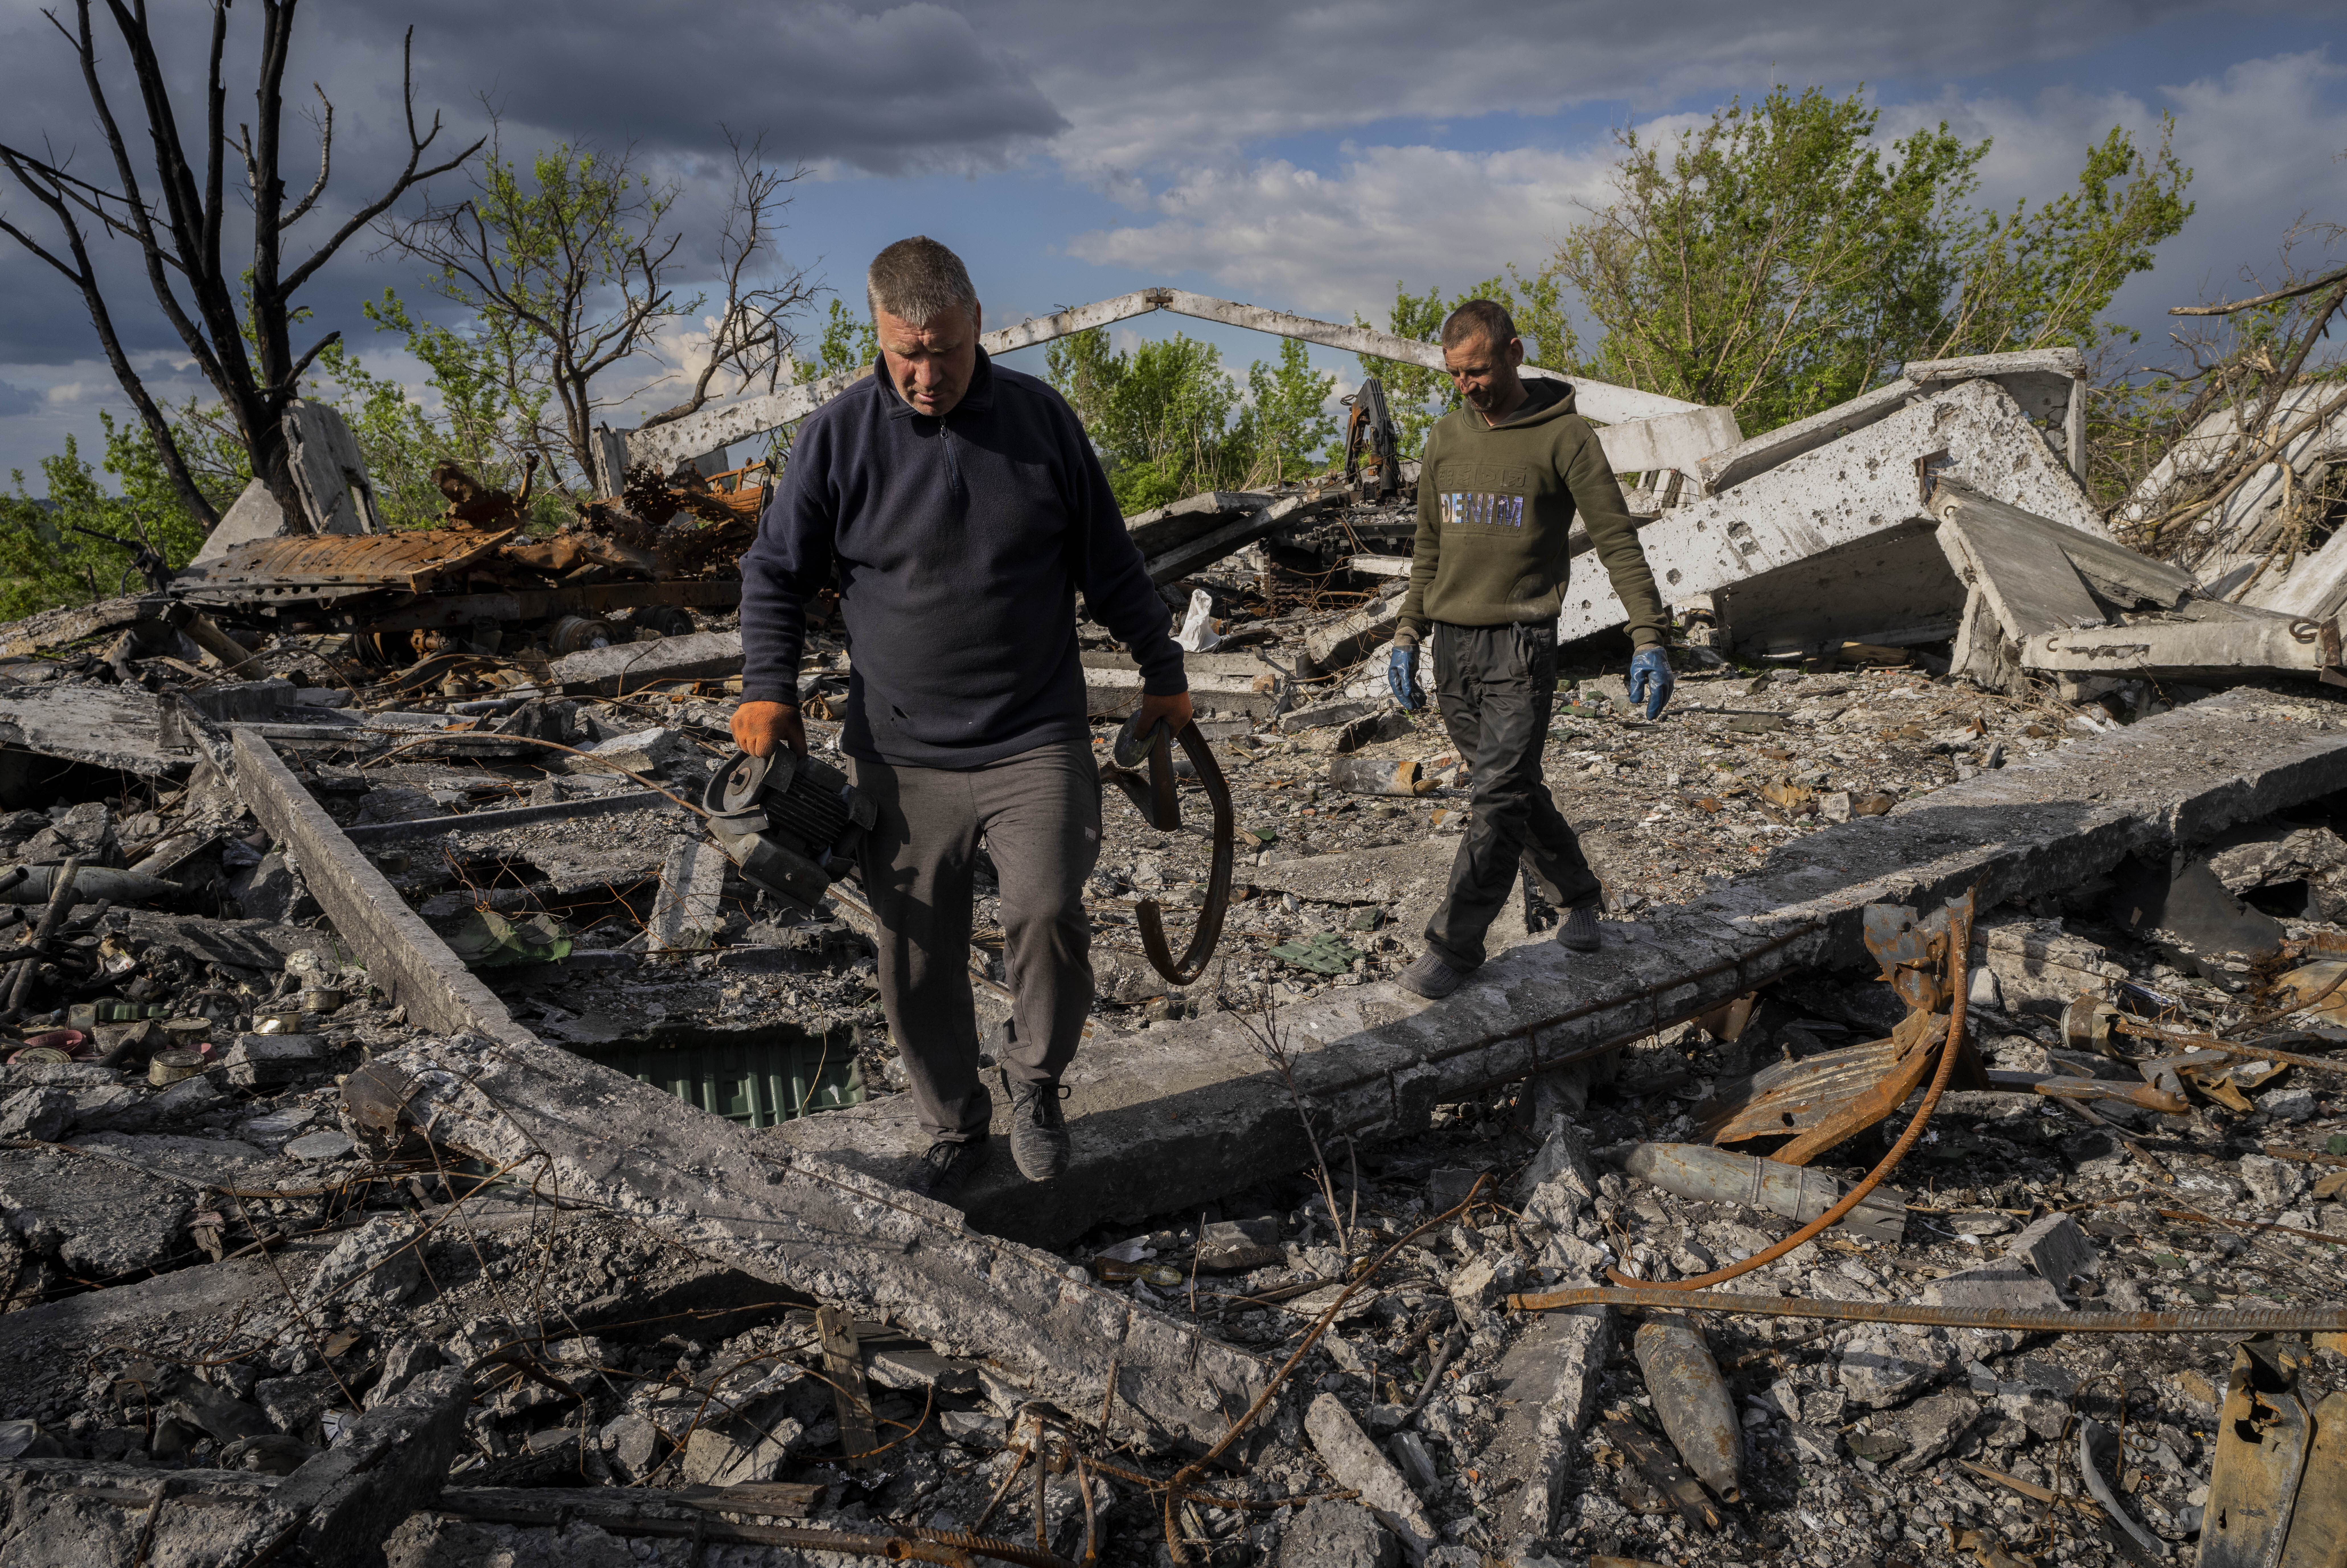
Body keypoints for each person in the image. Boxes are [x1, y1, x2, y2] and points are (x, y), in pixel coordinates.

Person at [731, 236, 1192, 1200]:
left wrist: (1163, 669)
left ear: (979, 322)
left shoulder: (1041, 424)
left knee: (1046, 909)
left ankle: (1034, 1081)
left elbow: (1109, 563)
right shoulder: (837, 436)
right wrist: (767, 688)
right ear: (877, 335)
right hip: (899, 751)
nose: (924, 373)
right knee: (914, 952)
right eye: (904, 351)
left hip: (1034, 732)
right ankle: (953, 1120)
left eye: (941, 349)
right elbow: (774, 571)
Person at [1386, 298, 1675, 1000]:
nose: (1468, 387)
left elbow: (1616, 542)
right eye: (1456, 376)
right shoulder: (1443, 439)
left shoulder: (1566, 437)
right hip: (1452, 646)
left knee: (1496, 797)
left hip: (1521, 644)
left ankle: (1454, 946)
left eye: (1478, 371)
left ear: (1514, 354)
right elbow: (1428, 548)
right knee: (1511, 790)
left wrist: (1649, 639)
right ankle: (1579, 891)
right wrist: (1407, 633)